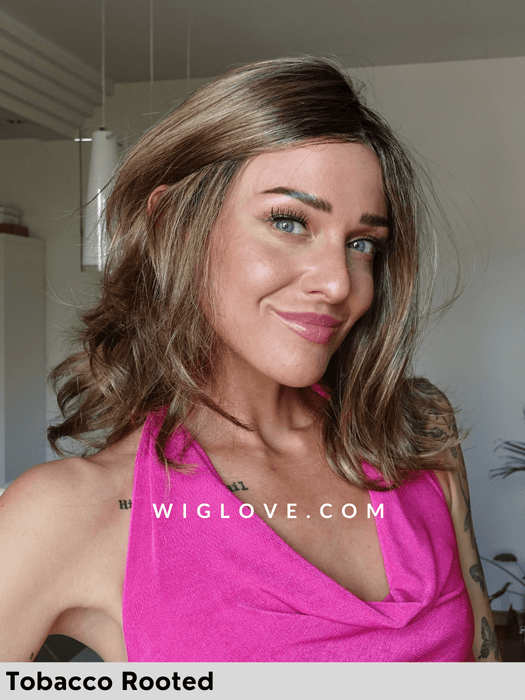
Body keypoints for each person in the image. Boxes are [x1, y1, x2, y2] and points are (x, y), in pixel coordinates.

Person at [0, 57, 498, 662]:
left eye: (362, 243)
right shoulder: (70, 512)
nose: (339, 283)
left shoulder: (415, 426)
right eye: (290, 222)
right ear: (174, 226)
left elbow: (485, 665)